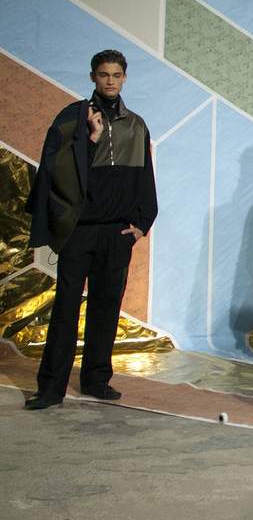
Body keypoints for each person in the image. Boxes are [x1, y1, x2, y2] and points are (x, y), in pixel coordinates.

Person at [23, 49, 158, 410]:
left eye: (116, 75)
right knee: (66, 308)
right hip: (80, 231)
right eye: (103, 74)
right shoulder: (73, 118)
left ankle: (96, 380)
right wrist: (91, 138)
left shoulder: (136, 125)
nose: (110, 81)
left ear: (124, 78)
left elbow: (145, 177)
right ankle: (50, 388)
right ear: (92, 77)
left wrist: (143, 224)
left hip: (117, 233)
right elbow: (56, 171)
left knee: (106, 307)